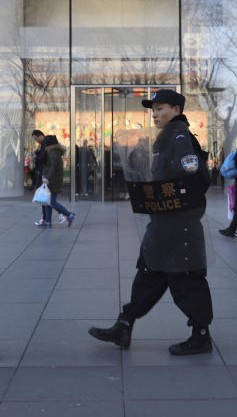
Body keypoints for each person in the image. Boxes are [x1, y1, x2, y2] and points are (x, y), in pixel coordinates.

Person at [88, 89, 214, 355]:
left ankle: (201, 335)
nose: (155, 114)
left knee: (186, 279)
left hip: (178, 224)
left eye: (160, 108)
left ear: (176, 110)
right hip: (164, 222)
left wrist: (167, 198)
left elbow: (194, 177)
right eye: (153, 109)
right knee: (149, 275)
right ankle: (124, 325)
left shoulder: (179, 136)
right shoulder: (167, 137)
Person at [38, 134, 76, 227]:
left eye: (46, 143)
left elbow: (53, 168)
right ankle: (48, 221)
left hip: (53, 181)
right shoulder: (51, 152)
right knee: (47, 201)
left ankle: (69, 214)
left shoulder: (53, 153)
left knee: (52, 202)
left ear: (49, 143)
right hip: (51, 179)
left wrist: (48, 178)